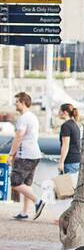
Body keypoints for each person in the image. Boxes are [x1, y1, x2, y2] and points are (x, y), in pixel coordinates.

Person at [9, 91, 46, 221]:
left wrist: (11, 154)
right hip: (35, 154)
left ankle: (38, 201)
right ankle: (24, 212)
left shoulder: (23, 118)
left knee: (15, 182)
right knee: (27, 184)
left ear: (23, 102)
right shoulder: (32, 117)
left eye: (17, 102)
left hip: (26, 154)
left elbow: (19, 136)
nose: (15, 104)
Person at [57, 103, 82, 175]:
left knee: (64, 185)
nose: (58, 113)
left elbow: (65, 145)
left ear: (64, 112)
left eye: (59, 111)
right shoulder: (75, 125)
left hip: (69, 162)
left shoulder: (65, 126)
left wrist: (61, 162)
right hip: (77, 160)